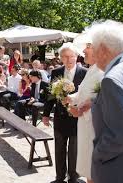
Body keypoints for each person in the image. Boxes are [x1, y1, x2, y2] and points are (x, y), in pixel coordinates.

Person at [87, 20, 123, 183]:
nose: (92, 53)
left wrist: (97, 154)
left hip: (121, 170)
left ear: (104, 50)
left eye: (93, 48)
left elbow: (120, 135)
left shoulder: (112, 79)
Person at [62, 33, 104, 183]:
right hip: (85, 126)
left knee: (94, 169)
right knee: (88, 167)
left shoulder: (103, 71)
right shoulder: (92, 69)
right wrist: (71, 98)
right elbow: (84, 91)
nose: (83, 51)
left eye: (88, 47)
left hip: (94, 127)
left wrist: (80, 111)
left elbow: (103, 100)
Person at [42, 42, 87, 183]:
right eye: (65, 56)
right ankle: (59, 177)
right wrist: (45, 114)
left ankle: (73, 178)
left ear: (76, 56)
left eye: (71, 56)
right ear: (60, 57)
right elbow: (50, 95)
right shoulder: (56, 72)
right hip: (60, 117)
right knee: (59, 149)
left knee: (74, 151)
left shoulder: (85, 73)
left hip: (77, 118)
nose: (68, 59)